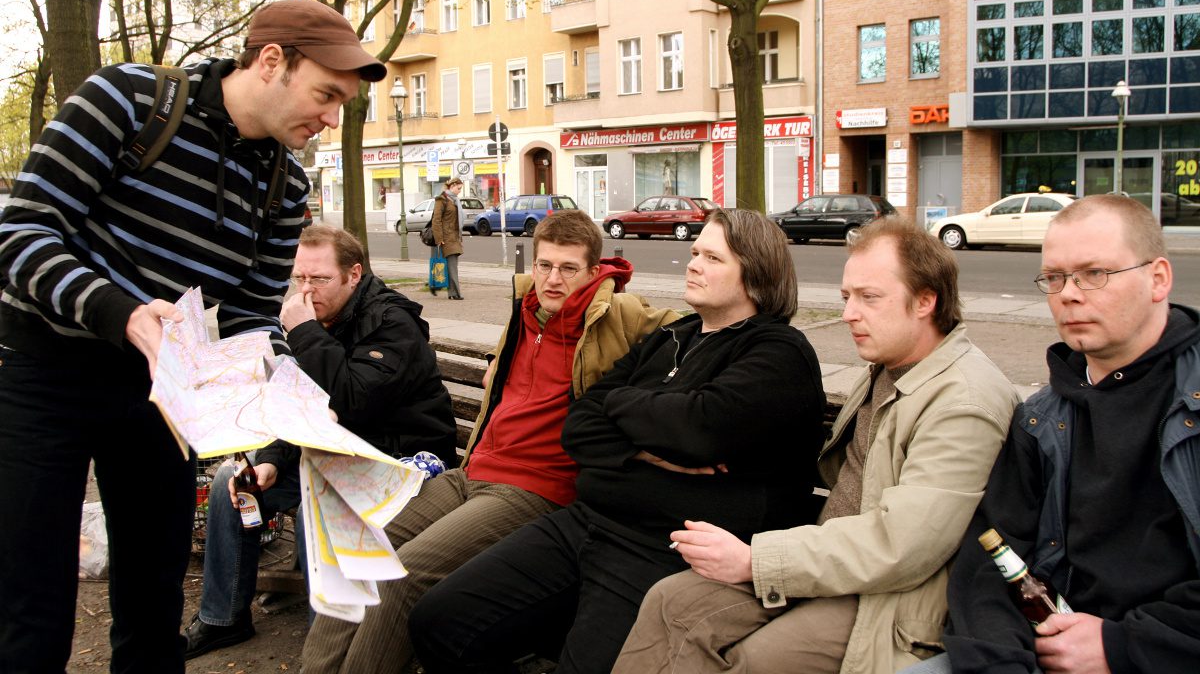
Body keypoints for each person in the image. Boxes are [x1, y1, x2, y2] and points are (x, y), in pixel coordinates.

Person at [0, 0, 385, 673]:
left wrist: (291, 392)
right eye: (326, 96)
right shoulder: (127, 100)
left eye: (341, 107)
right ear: (271, 62)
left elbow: (252, 316)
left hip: (161, 395)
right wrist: (118, 311)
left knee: (154, 607)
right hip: (41, 371)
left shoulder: (284, 186)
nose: (330, 120)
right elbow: (21, 231)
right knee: (30, 605)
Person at [409, 208, 829, 674]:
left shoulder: (777, 352)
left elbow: (698, 430)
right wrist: (645, 443)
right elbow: (580, 426)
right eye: (694, 252)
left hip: (661, 549)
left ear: (756, 274)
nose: (692, 264)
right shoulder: (674, 336)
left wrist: (622, 404)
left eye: (712, 257)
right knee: (438, 622)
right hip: (585, 524)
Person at [614, 216, 1021, 674]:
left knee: (753, 658)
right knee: (672, 599)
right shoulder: (893, 364)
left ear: (926, 300)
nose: (848, 313)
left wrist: (754, 559)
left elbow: (901, 547)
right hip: (828, 557)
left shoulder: (963, 401)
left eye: (869, 298)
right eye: (847, 297)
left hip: (890, 596)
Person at [301, 209, 678, 673]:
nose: (552, 279)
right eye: (544, 265)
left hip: (534, 489)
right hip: (472, 471)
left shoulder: (616, 313)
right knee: (352, 545)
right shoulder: (525, 312)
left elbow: (692, 334)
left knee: (402, 574)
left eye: (567, 269)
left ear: (594, 272)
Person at [915, 194, 1200, 674]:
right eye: (1054, 277)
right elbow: (991, 558)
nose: (1068, 294)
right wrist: (1000, 663)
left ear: (1158, 279)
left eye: (1095, 274)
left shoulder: (1189, 403)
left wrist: (1121, 645)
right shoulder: (1041, 419)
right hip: (1045, 649)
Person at [183, 225, 456, 658]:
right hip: (333, 450)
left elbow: (350, 400)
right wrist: (272, 459)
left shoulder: (391, 321)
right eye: (299, 279)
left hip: (399, 457)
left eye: (319, 280)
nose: (306, 292)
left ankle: (324, 646)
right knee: (231, 486)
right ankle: (223, 619)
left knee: (318, 499)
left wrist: (305, 332)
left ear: (354, 274)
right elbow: (300, 402)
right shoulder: (319, 321)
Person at [432, 178, 464, 299]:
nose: (459, 191)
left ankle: (452, 293)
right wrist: (439, 238)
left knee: (452, 266)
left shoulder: (454, 200)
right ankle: (456, 293)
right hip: (446, 237)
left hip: (454, 237)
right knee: (452, 266)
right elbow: (436, 220)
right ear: (452, 186)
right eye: (458, 188)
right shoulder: (442, 199)